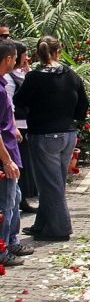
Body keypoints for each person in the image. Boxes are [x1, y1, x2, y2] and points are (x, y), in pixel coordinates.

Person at [14, 36, 89, 242]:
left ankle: (59, 228)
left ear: (38, 53)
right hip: (68, 134)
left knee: (50, 183)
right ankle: (42, 223)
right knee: (54, 182)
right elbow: (83, 105)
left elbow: (18, 102)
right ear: (59, 51)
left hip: (44, 135)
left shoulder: (34, 78)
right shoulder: (72, 75)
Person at [0, 40, 31, 266]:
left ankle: (11, 241)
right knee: (6, 203)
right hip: (5, 155)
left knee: (15, 198)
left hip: (10, 147)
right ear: (9, 59)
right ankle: (3, 249)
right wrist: (7, 160)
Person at [4, 41, 37, 213]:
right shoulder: (7, 80)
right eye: (24, 55)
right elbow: (9, 106)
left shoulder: (19, 74)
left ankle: (21, 199)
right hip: (15, 127)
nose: (27, 58)